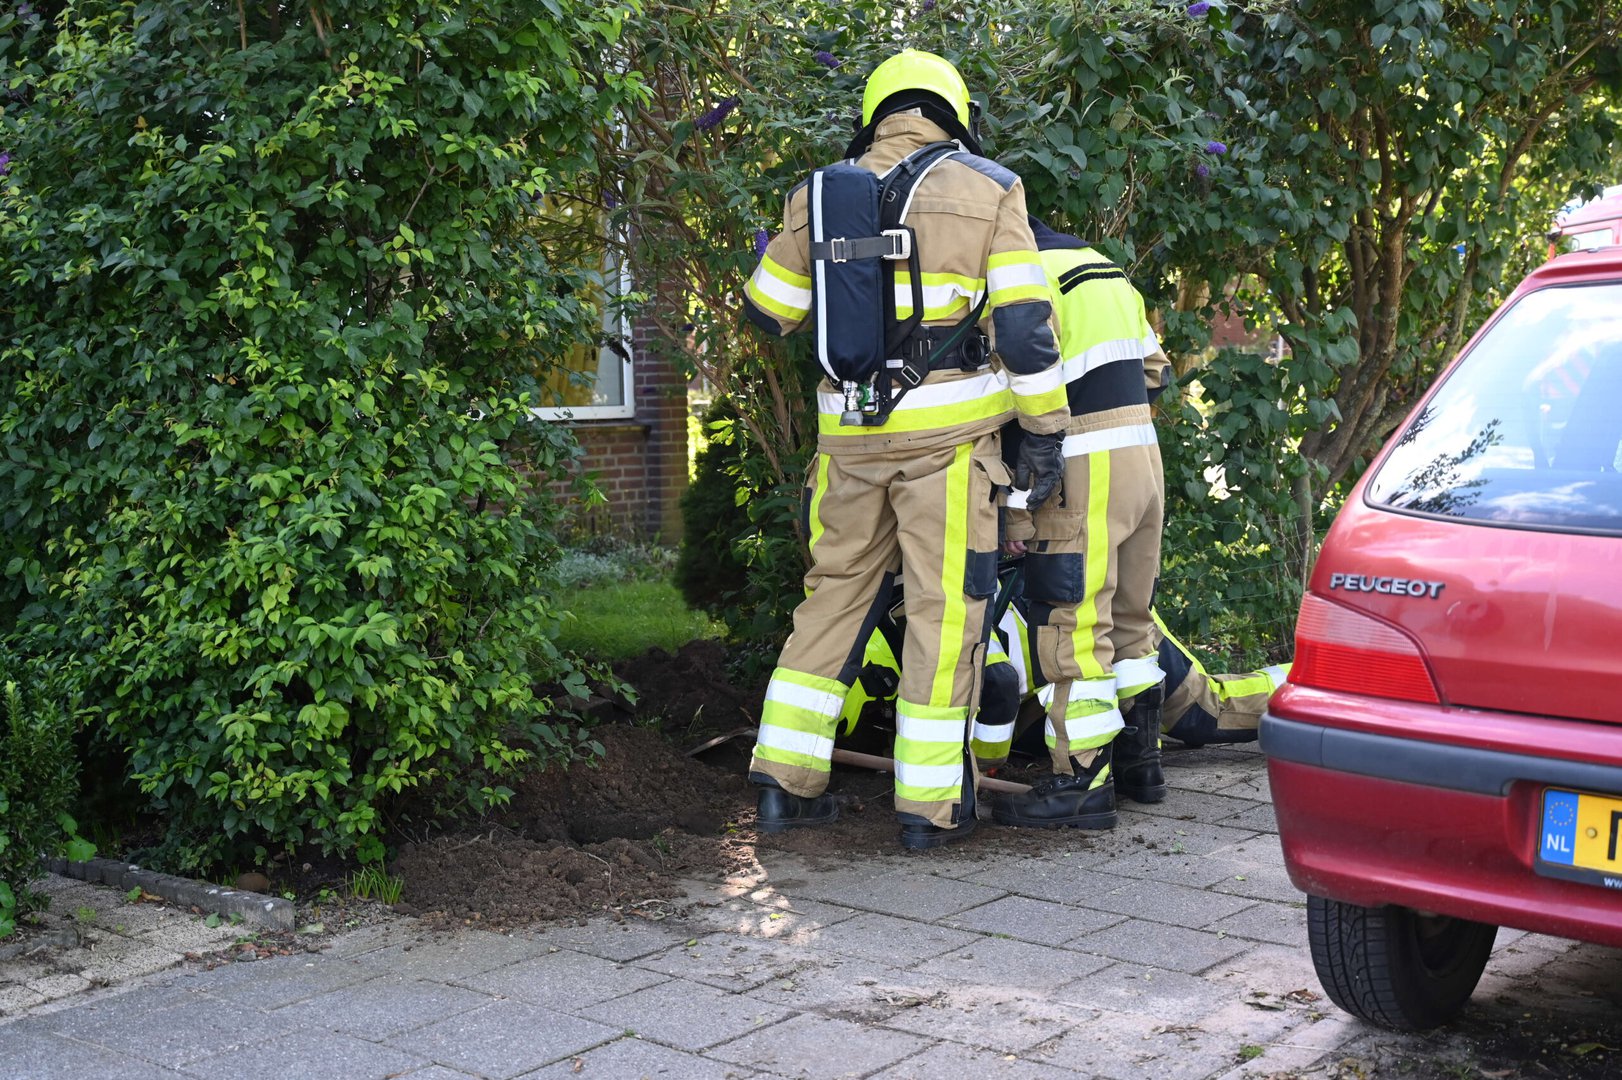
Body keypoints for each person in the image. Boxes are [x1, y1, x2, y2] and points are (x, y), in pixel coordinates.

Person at [739, 50, 1070, 850]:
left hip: (848, 443)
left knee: (833, 598)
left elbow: (767, 311)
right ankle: (929, 809)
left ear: (877, 111)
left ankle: (783, 784)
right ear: (954, 112)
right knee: (941, 612)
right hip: (950, 446)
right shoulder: (991, 188)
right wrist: (1045, 431)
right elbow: (1025, 329)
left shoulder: (818, 192)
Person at [992, 217, 1172, 830]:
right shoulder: (1106, 269)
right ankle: (1139, 768)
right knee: (1130, 618)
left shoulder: (1020, 277)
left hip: (1079, 466)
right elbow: (1157, 370)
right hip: (1143, 459)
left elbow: (1016, 391)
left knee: (1070, 623)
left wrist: (1014, 500)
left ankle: (1082, 779)